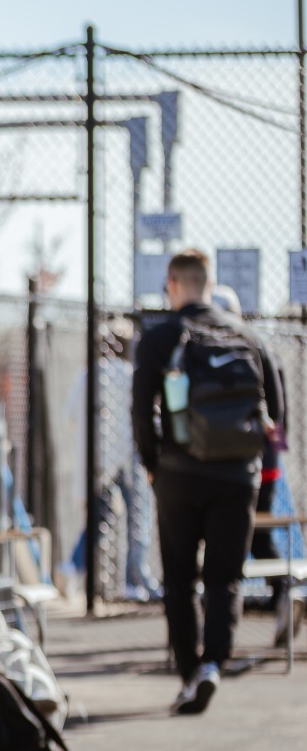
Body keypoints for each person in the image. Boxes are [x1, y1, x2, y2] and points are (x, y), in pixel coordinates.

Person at [130, 248, 285, 714]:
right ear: (210, 284)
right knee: (225, 578)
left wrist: (153, 464)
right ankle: (215, 663)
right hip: (238, 475)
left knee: (179, 578)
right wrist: (253, 464)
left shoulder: (161, 338)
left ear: (173, 285)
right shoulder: (248, 337)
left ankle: (190, 672)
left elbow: (141, 410)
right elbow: (276, 413)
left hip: (179, 473)